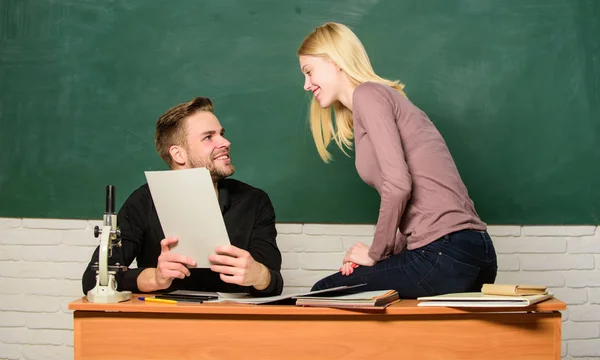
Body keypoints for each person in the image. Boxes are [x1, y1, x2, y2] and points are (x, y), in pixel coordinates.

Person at [297, 22, 497, 298]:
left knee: (324, 292)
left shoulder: (368, 95)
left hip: (447, 253)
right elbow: (412, 202)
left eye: (309, 72)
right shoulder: (374, 104)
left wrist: (375, 252)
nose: (306, 85)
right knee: (366, 297)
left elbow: (399, 185)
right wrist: (381, 256)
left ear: (334, 61)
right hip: (473, 252)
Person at [82, 97, 283, 296]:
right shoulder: (143, 201)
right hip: (165, 322)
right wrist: (155, 278)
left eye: (221, 134)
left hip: (234, 323)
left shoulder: (254, 201)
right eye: (208, 137)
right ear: (179, 154)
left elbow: (273, 283)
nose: (225, 142)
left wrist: (259, 276)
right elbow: (93, 279)